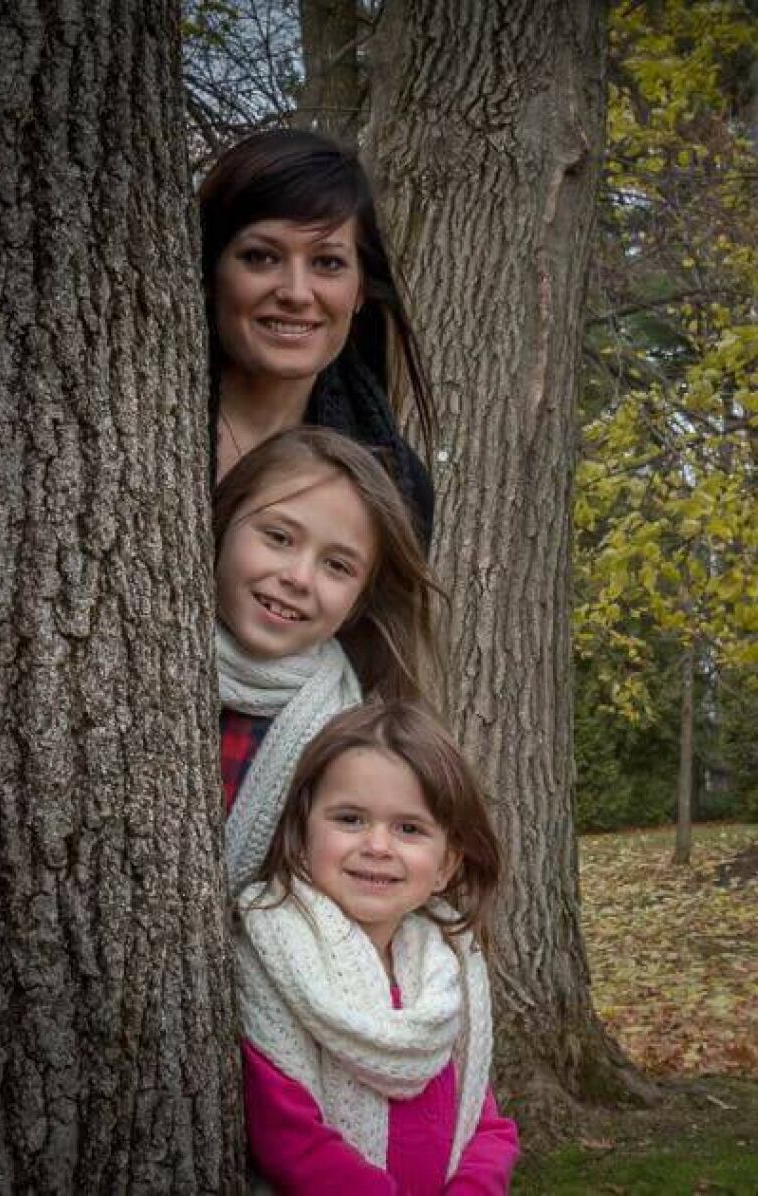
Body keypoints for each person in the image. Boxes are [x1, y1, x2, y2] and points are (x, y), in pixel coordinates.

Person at [236, 701, 521, 1194]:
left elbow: (483, 1118)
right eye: (350, 819)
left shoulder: (446, 966)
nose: (378, 846)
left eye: (409, 829)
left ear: (448, 863)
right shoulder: (274, 953)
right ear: (302, 833)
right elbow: (288, 1138)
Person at [214, 427, 439, 894]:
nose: (298, 577)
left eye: (337, 566)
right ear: (222, 523)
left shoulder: (351, 738)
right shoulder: (138, 665)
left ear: (358, 601)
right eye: (278, 537)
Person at [198, 127, 436, 548]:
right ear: (211, 270)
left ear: (361, 288)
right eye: (261, 257)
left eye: (327, 262)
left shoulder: (397, 485)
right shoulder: (135, 426)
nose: (296, 293)